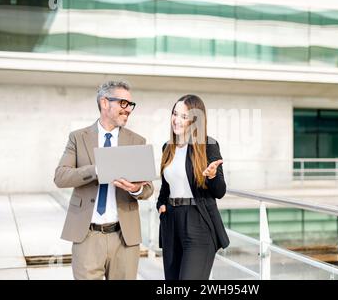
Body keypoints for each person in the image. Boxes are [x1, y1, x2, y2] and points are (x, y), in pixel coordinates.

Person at [54, 80, 154, 280]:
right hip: (87, 237)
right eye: (123, 104)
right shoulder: (78, 138)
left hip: (124, 238)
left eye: (130, 105)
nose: (128, 110)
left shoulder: (137, 141)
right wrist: (99, 169)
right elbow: (60, 177)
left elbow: (148, 189)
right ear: (105, 103)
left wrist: (135, 189)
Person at [157, 94, 230, 280]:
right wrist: (161, 205)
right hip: (171, 221)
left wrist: (213, 176)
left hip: (198, 222)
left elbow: (220, 191)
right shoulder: (168, 147)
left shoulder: (208, 145)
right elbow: (165, 187)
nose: (176, 120)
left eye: (184, 116)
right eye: (175, 114)